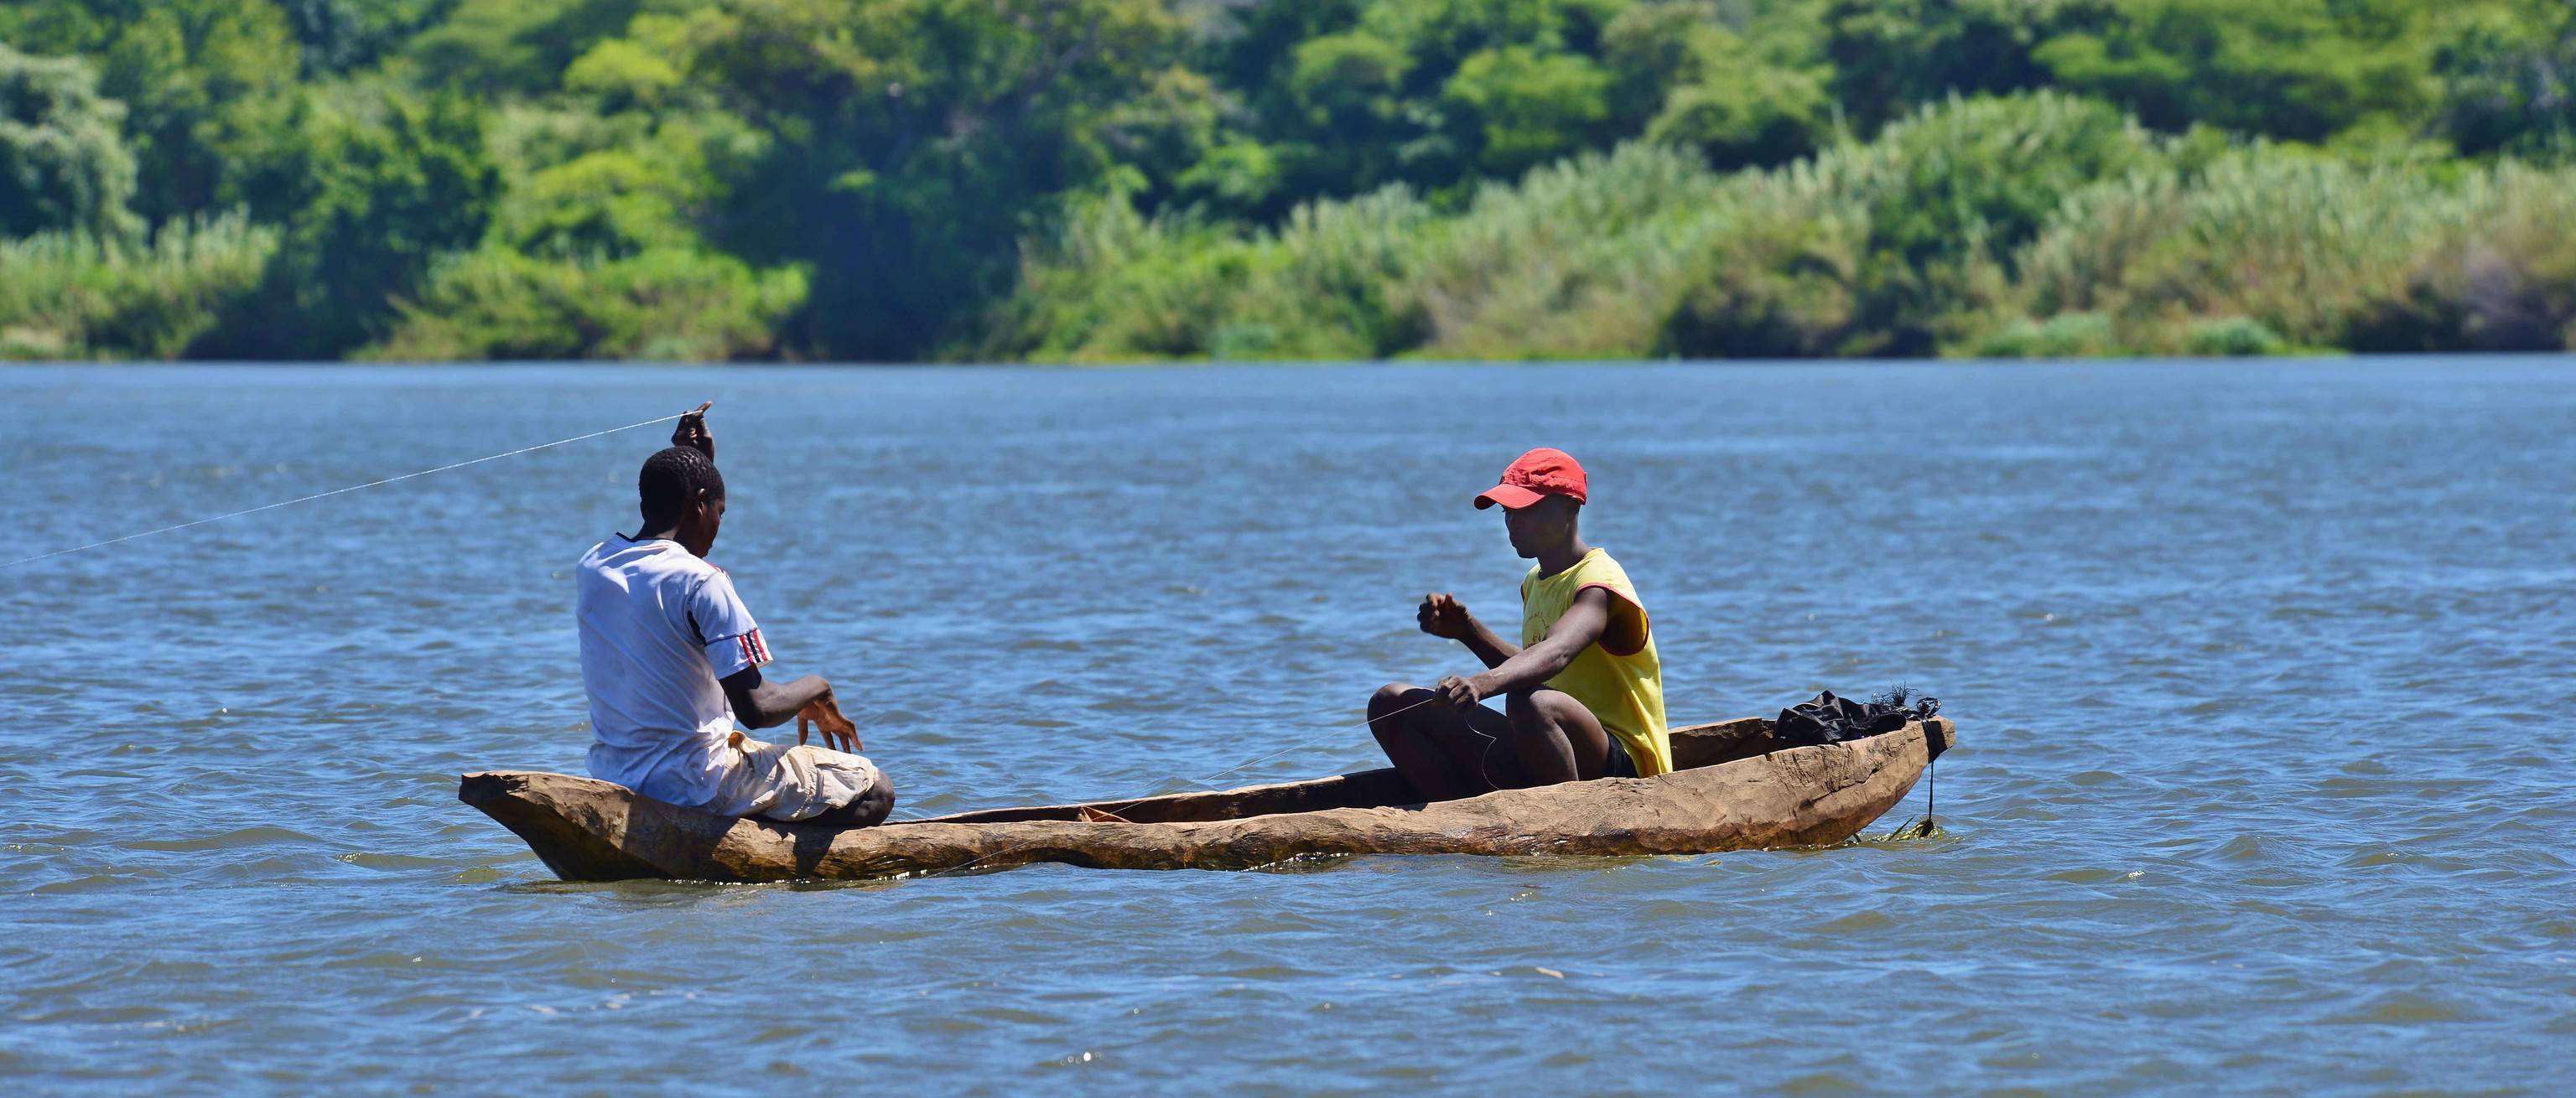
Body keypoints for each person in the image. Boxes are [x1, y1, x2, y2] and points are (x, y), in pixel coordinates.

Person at [571, 404, 896, 826]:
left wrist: (699, 466)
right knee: (877, 789)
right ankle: (766, 857)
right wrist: (818, 687)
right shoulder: (704, 583)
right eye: (720, 513)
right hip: (698, 783)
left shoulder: (594, 566)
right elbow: (758, 711)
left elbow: (666, 553)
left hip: (619, 776)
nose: (718, 527)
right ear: (700, 504)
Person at [1367, 448, 1669, 802]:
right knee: (1391, 702)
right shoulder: (1534, 581)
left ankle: (1568, 823)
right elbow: (1539, 672)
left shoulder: (1599, 582)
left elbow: (1556, 653)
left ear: (1571, 507)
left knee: (1530, 703)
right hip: (1550, 745)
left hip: (1625, 768)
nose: (1512, 521)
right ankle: (1459, 823)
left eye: (1527, 509)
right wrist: (1467, 631)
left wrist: (1479, 685)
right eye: (1508, 510)